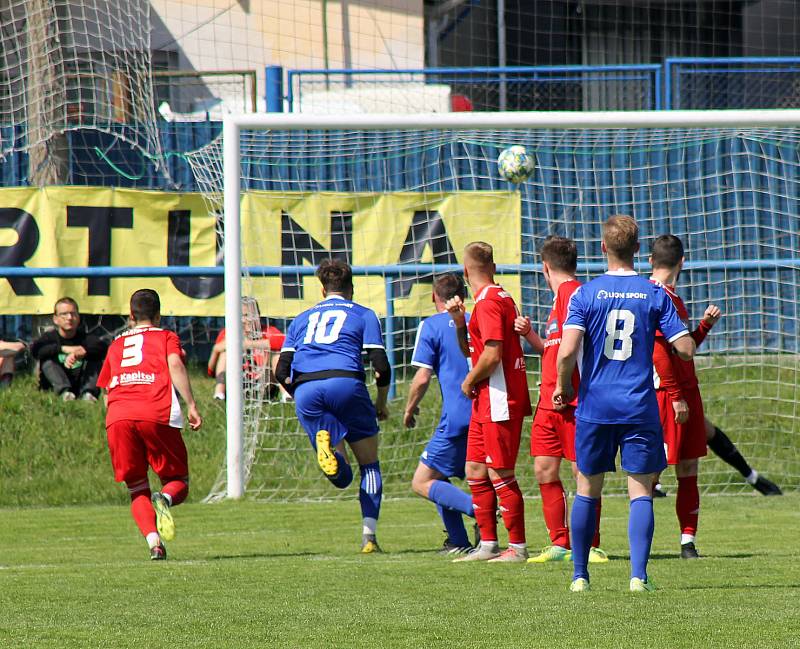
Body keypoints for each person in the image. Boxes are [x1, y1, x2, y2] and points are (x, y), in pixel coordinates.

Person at [553, 215, 695, 593]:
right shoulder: (654, 294)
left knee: (586, 488)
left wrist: (563, 386)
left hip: (595, 406)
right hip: (638, 407)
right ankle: (638, 577)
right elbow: (684, 348)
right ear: (638, 250)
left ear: (602, 248)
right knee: (641, 491)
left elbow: (566, 352)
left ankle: (580, 576)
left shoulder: (585, 293)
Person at [275, 259, 390, 553]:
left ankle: (332, 454)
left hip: (307, 389)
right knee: (369, 466)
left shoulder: (301, 318)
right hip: (345, 383)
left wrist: (298, 392)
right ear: (351, 287)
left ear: (322, 289)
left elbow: (280, 371)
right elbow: (381, 366)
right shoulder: (364, 314)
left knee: (341, 478)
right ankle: (369, 537)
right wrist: (380, 403)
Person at [514, 236, 608, 564]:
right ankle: (560, 542)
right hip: (548, 401)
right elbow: (557, 348)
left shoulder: (573, 294)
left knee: (583, 471)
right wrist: (530, 335)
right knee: (543, 468)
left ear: (544, 267)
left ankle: (591, 544)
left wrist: (566, 385)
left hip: (573, 400)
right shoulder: (558, 301)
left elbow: (577, 349)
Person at [97, 289, 202, 560]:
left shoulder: (116, 344)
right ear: (158, 315)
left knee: (136, 487)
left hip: (118, 416)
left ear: (131, 316)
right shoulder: (166, 336)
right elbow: (175, 364)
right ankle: (164, 499)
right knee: (177, 480)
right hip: (154, 410)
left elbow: (107, 392)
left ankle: (155, 544)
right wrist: (191, 404)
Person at [446, 241, 532, 563]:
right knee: (474, 468)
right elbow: (473, 350)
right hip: (485, 399)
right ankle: (488, 544)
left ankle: (518, 548)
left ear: (466, 271)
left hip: (499, 396)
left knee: (500, 472)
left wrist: (468, 380)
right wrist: (458, 322)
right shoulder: (489, 300)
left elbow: (492, 356)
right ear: (493, 266)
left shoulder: (491, 302)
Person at [649, 234, 721, 559]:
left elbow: (683, 351)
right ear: (682, 262)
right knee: (653, 468)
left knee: (689, 466)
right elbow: (659, 353)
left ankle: (686, 542)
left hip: (684, 393)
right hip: (666, 394)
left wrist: (703, 327)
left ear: (651, 259)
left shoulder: (672, 298)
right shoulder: (655, 296)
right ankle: (640, 543)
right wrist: (676, 395)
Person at [404, 273, 476, 555]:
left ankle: (480, 511)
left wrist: (409, 409)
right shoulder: (480, 319)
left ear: (435, 296)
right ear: (464, 295)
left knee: (422, 481)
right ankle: (460, 540)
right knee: (460, 476)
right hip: (487, 413)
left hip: (457, 416)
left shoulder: (431, 325)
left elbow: (422, 378)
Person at [31, 297, 108, 401]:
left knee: (95, 359)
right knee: (47, 359)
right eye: (64, 314)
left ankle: (88, 394)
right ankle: (64, 392)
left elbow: (103, 348)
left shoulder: (84, 337)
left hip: (80, 383)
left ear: (79, 317)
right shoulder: (49, 337)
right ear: (55, 319)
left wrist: (81, 352)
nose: (69, 318)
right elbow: (36, 350)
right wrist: (62, 349)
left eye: (73, 314)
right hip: (55, 384)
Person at [208, 314, 287, 401]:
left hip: (264, 382)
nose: (248, 319)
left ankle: (286, 394)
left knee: (277, 355)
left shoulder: (268, 331)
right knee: (225, 354)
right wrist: (215, 350)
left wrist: (248, 344)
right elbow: (210, 371)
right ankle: (219, 394)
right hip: (237, 383)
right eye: (244, 315)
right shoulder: (228, 333)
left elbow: (284, 343)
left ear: (258, 316)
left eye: (250, 315)